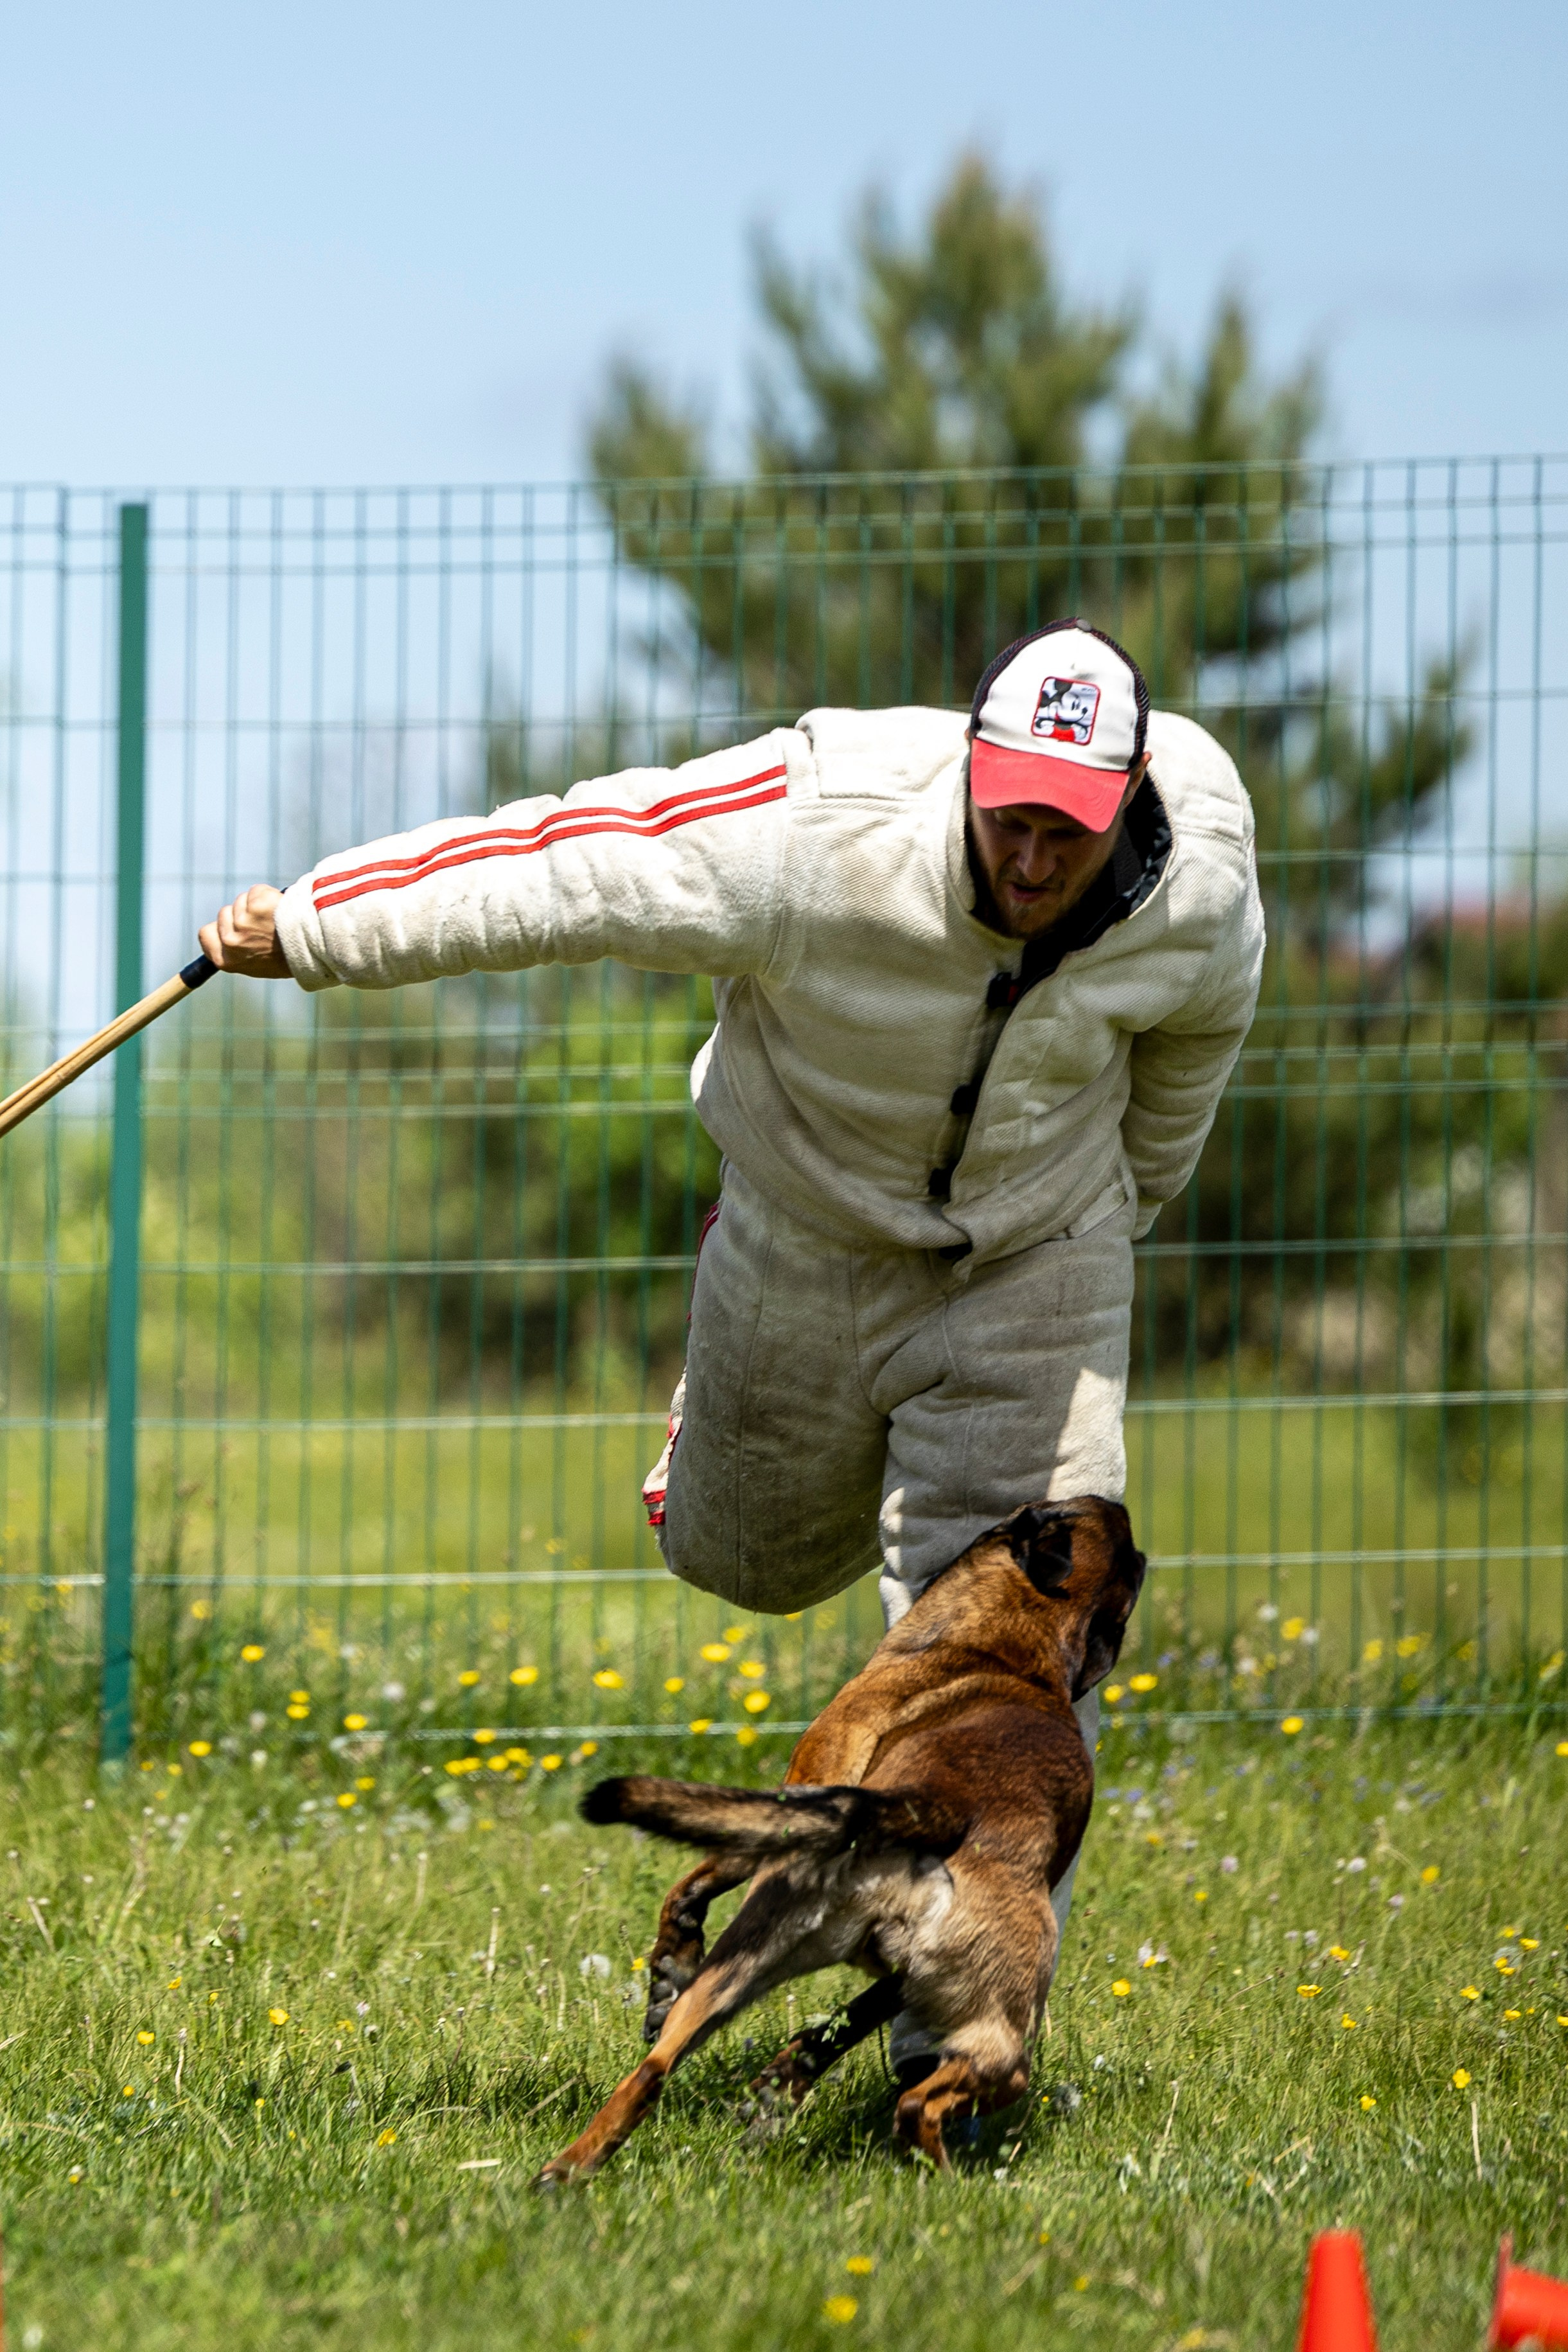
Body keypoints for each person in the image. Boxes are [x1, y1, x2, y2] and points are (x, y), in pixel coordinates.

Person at [202, 616, 1264, 2064]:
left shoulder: (1198, 871)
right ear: (969, 765)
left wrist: (1113, 1209)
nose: (1030, 859)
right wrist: (321, 925)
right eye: (1009, 814)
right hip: (804, 1236)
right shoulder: (816, 821)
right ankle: (727, 1442)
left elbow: (1196, 1042)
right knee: (740, 1555)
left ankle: (960, 2051)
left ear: (1129, 801)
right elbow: (569, 858)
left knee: (1027, 1666)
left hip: (1037, 1258)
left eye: (1066, 834)